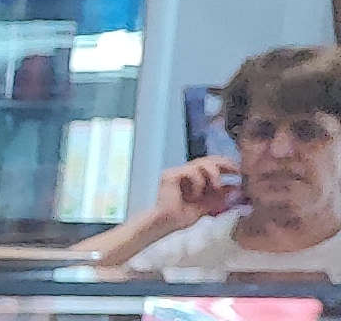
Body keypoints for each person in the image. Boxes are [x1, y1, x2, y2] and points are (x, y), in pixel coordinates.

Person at [77, 45, 341, 279]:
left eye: (308, 132)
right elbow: (58, 289)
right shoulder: (195, 247)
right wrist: (159, 221)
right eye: (261, 132)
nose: (280, 150)